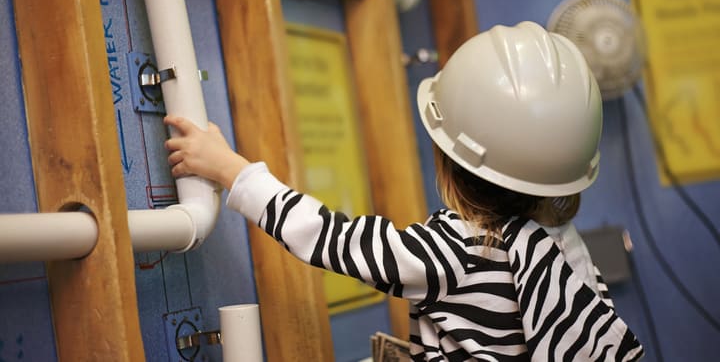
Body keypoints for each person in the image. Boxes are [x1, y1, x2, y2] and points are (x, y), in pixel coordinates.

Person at [164, 21, 644, 361]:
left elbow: (333, 240)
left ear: (448, 159)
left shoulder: (456, 250)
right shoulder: (563, 247)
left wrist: (232, 170)